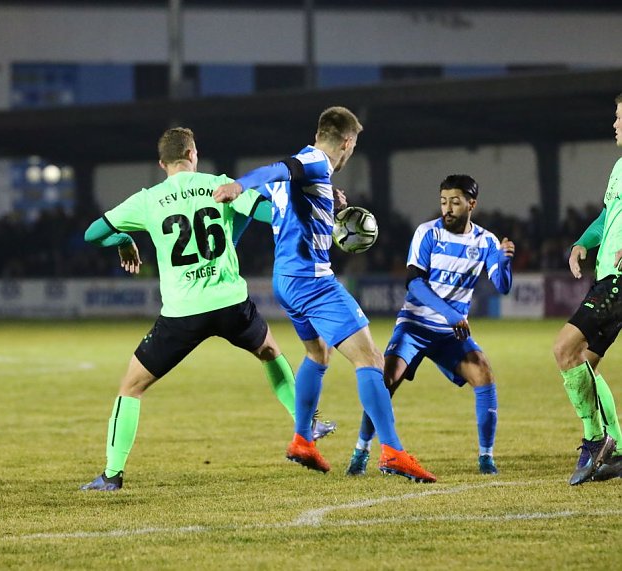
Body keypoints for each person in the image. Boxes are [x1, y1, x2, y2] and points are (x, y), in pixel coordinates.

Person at [80, 127, 335, 492]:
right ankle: (304, 423)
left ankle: (111, 474)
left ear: (161, 163)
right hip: (231, 303)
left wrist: (123, 240)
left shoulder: (148, 200)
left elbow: (92, 233)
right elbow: (267, 213)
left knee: (131, 389)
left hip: (183, 312)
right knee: (269, 353)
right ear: (192, 153)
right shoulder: (221, 184)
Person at [214, 106, 436, 482]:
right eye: (354, 146)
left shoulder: (309, 170)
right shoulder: (312, 162)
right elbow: (276, 169)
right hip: (313, 282)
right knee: (371, 360)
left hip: (286, 280)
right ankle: (393, 452)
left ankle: (303, 439)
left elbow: (278, 198)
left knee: (318, 352)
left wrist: (324, 199)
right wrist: (241, 183)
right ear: (347, 142)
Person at [344, 175, 514, 478]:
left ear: (471, 204)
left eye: (455, 202)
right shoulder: (428, 233)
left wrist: (503, 261)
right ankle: (361, 451)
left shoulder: (486, 241)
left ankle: (486, 458)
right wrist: (449, 313)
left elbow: (502, 285)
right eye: (443, 201)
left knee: (484, 373)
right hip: (415, 325)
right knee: (386, 382)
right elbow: (414, 282)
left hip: (450, 335)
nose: (447, 208)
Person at [552, 92, 622, 485]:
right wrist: (582, 242)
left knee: (564, 349)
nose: (614, 124)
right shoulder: (619, 168)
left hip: (619, 281)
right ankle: (615, 452)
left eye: (619, 117)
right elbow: (607, 214)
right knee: (584, 365)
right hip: (608, 279)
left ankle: (598, 440)